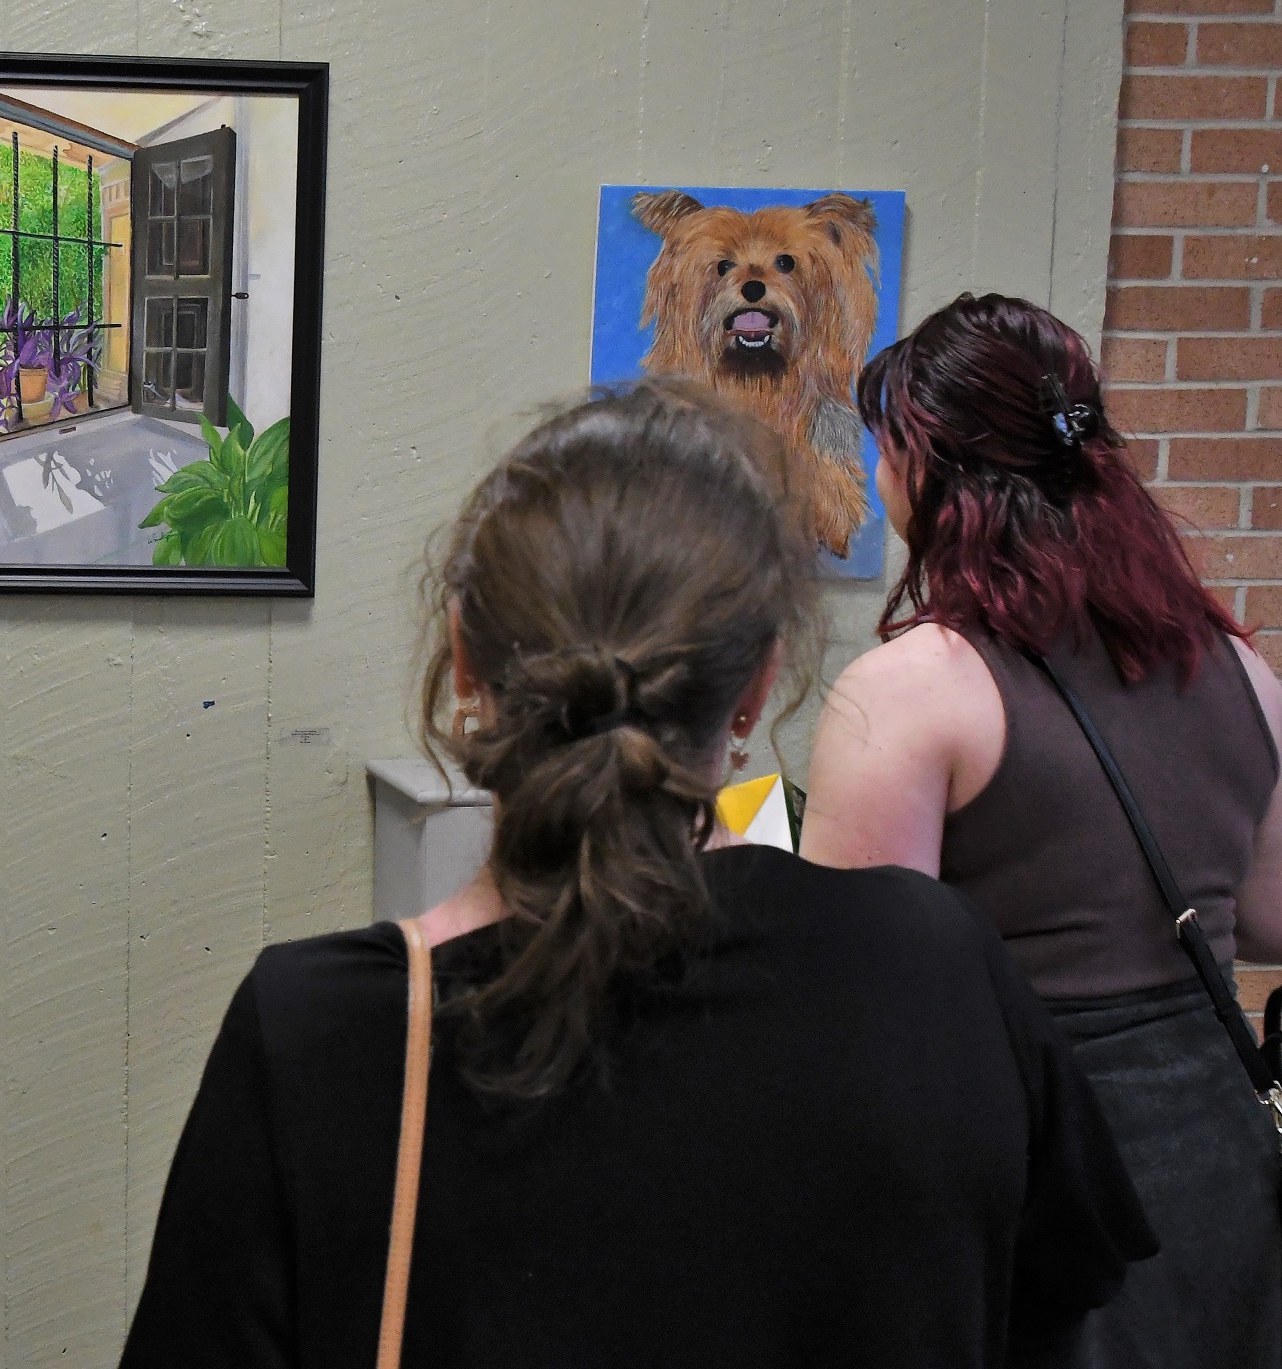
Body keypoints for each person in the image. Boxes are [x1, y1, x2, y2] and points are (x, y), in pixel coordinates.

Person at [119, 380, 1156, 1368]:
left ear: (464, 662)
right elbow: (1059, 1309)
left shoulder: (320, 1035)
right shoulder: (935, 964)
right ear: (756, 683)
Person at [802, 292, 1282, 1367]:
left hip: (1034, 1185)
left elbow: (858, 993)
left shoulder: (911, 690)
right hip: (1217, 1168)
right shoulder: (1235, 667)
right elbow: (1265, 918)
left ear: (925, 467)